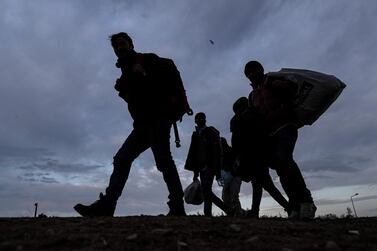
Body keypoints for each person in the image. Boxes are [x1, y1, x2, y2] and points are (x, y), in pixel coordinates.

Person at [74, 32, 192, 217]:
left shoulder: (149, 60)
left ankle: (177, 205)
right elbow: (137, 98)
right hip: (143, 124)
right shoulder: (125, 73)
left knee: (163, 160)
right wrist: (125, 89)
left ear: (131, 44)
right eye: (116, 46)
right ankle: (107, 206)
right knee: (122, 159)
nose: (119, 48)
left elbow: (158, 86)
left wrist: (144, 75)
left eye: (122, 44)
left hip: (159, 118)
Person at [244, 60, 316, 219]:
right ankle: (295, 205)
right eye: (248, 73)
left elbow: (291, 89)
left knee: (285, 159)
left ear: (261, 70)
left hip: (286, 125)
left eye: (254, 70)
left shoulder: (273, 80)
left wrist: (272, 85)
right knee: (281, 168)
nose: (251, 74)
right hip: (270, 134)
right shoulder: (252, 96)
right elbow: (255, 118)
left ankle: (307, 202)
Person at [230, 97, 290, 218]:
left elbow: (236, 141)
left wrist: (236, 157)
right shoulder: (256, 115)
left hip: (251, 156)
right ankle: (255, 211)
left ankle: (289, 207)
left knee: (266, 185)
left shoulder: (238, 119)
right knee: (258, 184)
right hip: (260, 155)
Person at [184, 112, 233, 216]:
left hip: (210, 166)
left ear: (205, 120)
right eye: (197, 119)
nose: (199, 121)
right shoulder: (196, 134)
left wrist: (217, 170)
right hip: (201, 167)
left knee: (206, 191)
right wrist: (195, 172)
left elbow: (216, 152)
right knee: (207, 191)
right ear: (195, 121)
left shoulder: (210, 132)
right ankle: (208, 214)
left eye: (201, 119)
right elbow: (194, 154)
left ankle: (227, 210)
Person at [220, 137, 245, 216]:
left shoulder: (231, 152)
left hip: (236, 176)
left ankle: (238, 213)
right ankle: (234, 212)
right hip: (229, 177)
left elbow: (237, 163)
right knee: (225, 197)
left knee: (234, 196)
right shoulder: (221, 154)